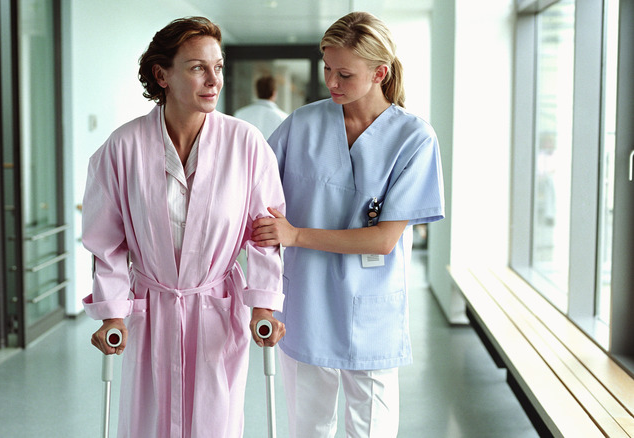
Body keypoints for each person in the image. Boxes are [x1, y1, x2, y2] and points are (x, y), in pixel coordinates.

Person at [81, 16, 286, 438]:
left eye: (219, 66)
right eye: (197, 68)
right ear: (162, 75)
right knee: (149, 420)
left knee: (216, 422)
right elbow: (108, 244)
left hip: (217, 308)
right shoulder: (122, 149)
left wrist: (263, 304)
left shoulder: (246, 144)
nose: (214, 80)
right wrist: (112, 314)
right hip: (152, 307)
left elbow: (265, 233)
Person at [252, 12, 445, 438]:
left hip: (372, 303)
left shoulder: (414, 139)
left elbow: (381, 240)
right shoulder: (301, 124)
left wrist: (297, 234)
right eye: (327, 69)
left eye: (344, 73)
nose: (332, 82)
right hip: (305, 299)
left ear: (380, 73)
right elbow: (256, 199)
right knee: (308, 425)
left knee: (372, 427)